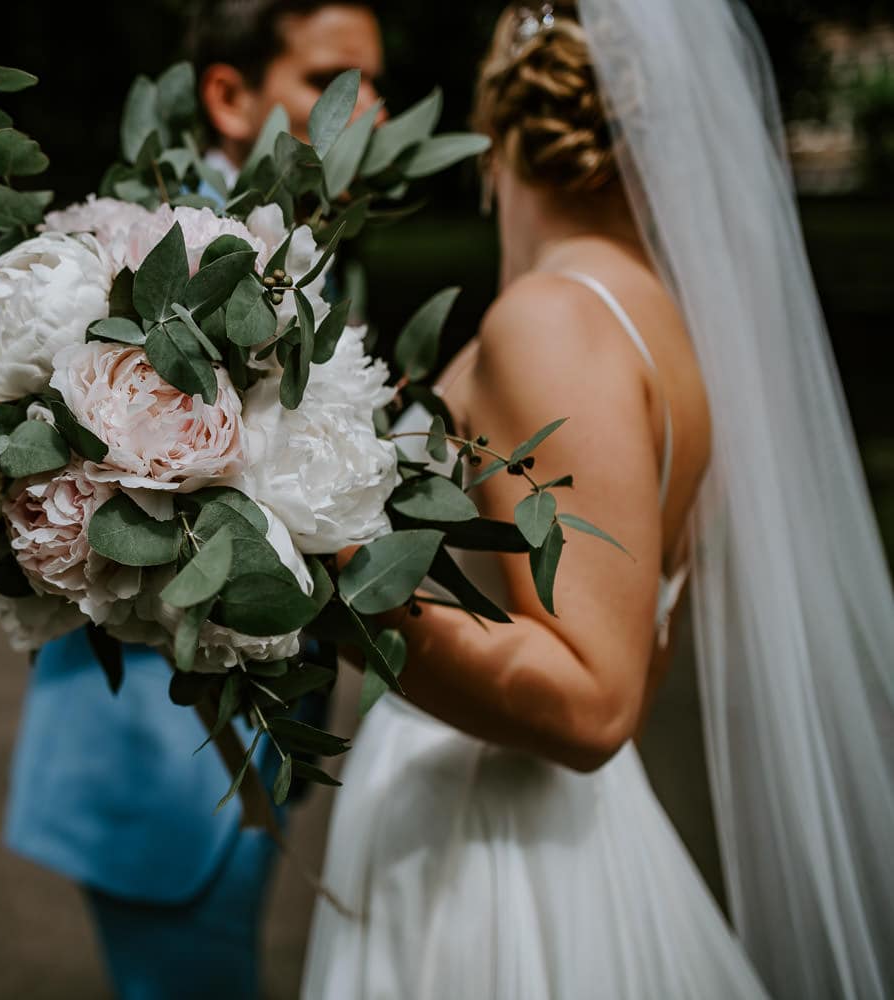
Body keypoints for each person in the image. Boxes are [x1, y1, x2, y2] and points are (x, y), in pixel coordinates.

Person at [303, 1, 894, 998]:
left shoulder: (554, 320)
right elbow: (637, 645)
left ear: (494, 138)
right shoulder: (662, 319)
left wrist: (330, 579)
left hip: (493, 863)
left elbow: (595, 701)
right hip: (552, 826)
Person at [1, 5, 386, 999]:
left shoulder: (309, 254)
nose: (371, 110)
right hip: (156, 756)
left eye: (377, 83)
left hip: (269, 723)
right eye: (332, 80)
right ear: (228, 95)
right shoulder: (130, 262)